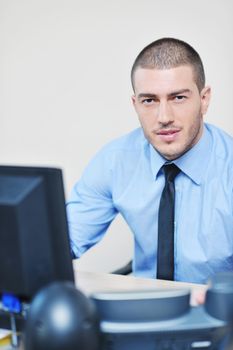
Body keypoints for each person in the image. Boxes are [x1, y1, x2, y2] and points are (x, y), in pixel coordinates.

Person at [66, 38, 233, 285]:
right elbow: (61, 242)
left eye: (178, 98)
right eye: (149, 100)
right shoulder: (116, 161)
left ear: (204, 99)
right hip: (144, 308)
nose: (164, 117)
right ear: (135, 104)